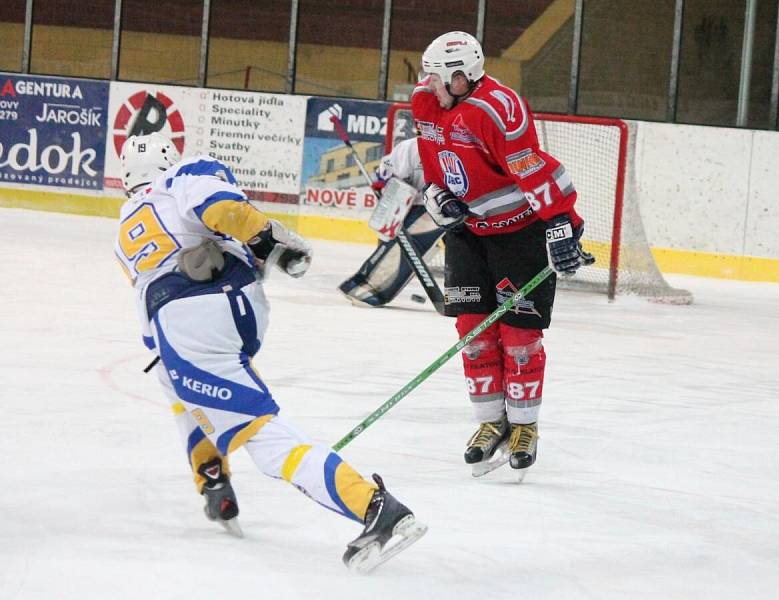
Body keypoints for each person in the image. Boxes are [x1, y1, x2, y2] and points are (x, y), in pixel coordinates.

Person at [113, 132, 426, 572]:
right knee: (181, 382)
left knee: (261, 437)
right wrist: (272, 242)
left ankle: (377, 509)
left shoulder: (126, 226)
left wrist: (265, 242)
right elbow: (228, 213)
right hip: (228, 306)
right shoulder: (185, 174)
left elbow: (220, 216)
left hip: (187, 318)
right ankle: (214, 480)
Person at [411, 32, 594, 475]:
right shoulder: (426, 102)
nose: (427, 84)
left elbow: (535, 169)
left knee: (518, 338)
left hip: (520, 235)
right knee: (473, 333)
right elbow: (432, 161)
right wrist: (436, 195)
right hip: (469, 233)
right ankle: (490, 422)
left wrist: (561, 224)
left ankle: (524, 424)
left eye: (436, 77)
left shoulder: (497, 109)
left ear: (461, 77)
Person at [339, 137, 443, 307]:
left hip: (448, 207)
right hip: (415, 205)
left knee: (415, 240)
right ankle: (369, 285)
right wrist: (385, 182)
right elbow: (386, 173)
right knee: (398, 244)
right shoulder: (410, 147)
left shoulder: (459, 144)